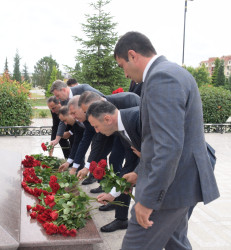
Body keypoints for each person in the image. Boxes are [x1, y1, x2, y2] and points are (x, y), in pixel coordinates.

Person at [114, 31, 219, 250]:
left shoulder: (162, 78)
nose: (124, 74)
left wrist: (148, 200)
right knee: (176, 244)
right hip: (180, 184)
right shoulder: (172, 72)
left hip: (171, 188)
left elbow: (168, 147)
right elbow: (157, 141)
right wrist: (140, 173)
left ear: (133, 55)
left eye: (122, 65)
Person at [87, 101, 140, 233]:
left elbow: (161, 153)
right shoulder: (121, 129)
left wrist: (145, 156)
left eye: (96, 126)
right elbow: (130, 163)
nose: (96, 131)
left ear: (107, 119)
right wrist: (112, 194)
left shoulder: (138, 119)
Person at [57, 105, 85, 175]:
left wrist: (75, 168)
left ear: (70, 114)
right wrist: (68, 162)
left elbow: (84, 145)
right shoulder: (76, 125)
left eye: (65, 120)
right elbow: (77, 144)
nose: (65, 123)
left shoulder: (84, 119)